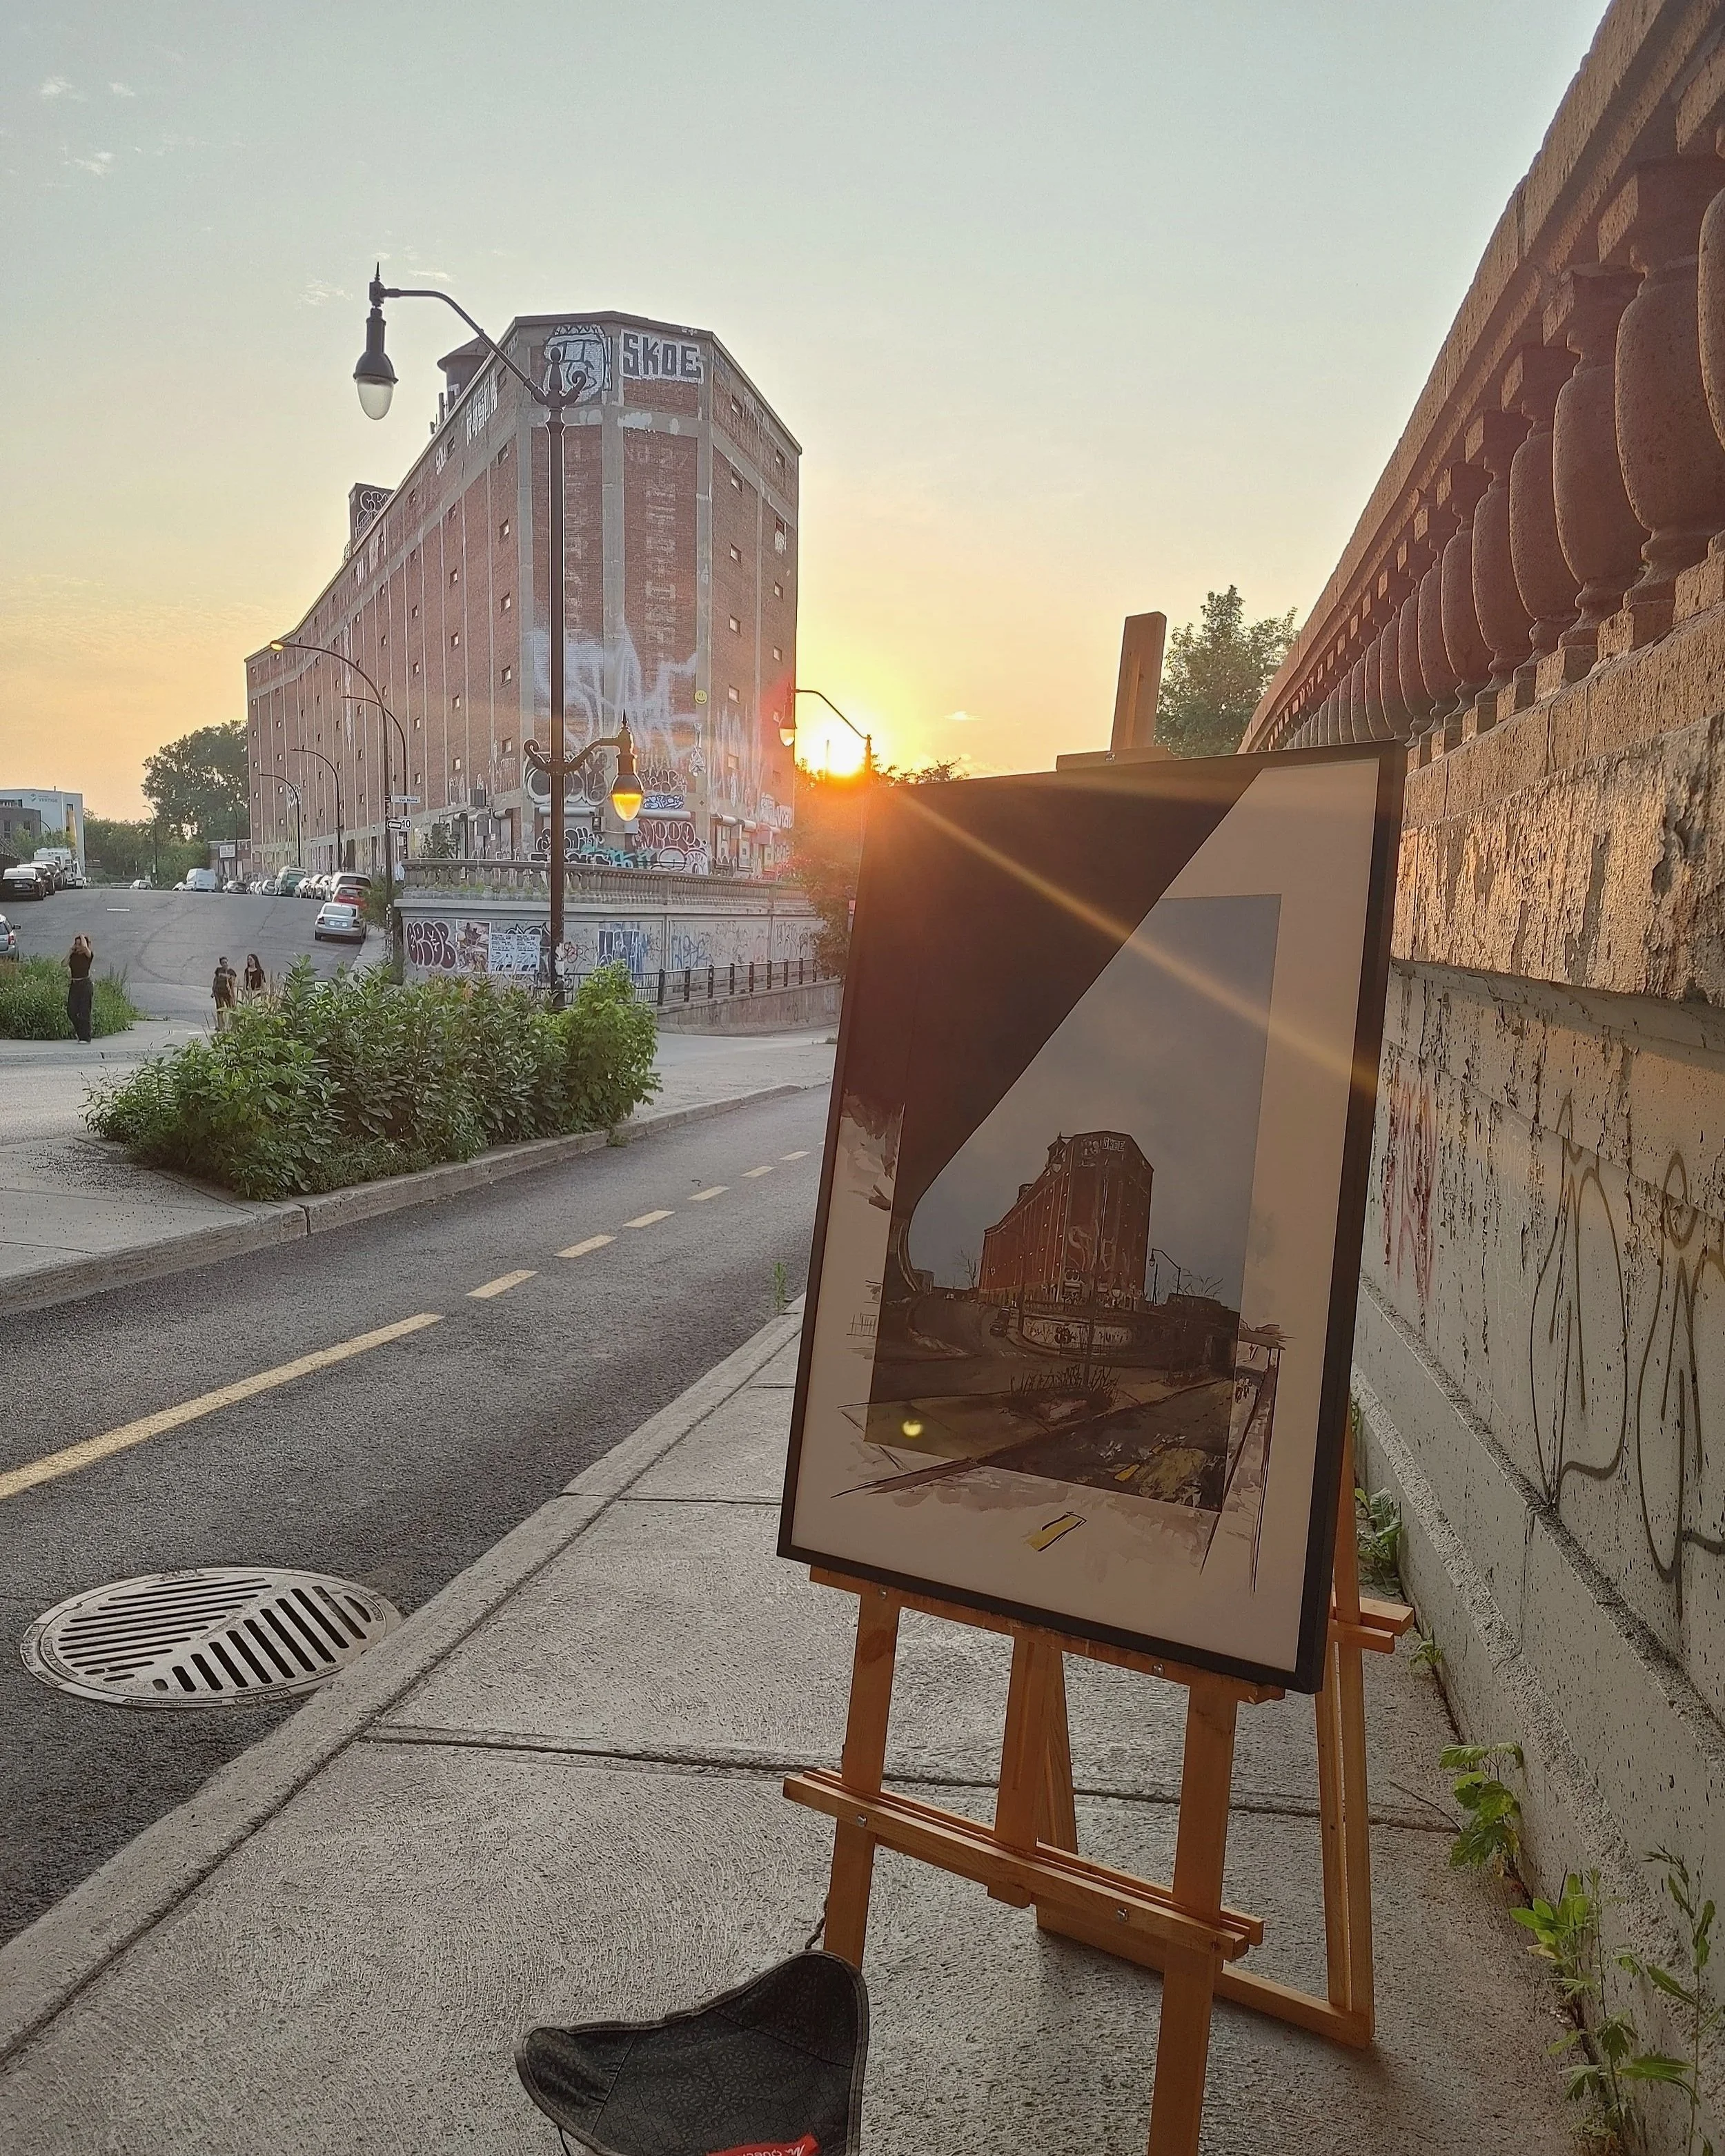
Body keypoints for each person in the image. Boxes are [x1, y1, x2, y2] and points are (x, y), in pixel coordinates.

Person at [66, 934, 95, 1043]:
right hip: (75, 984)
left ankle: (85, 1037)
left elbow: (86, 948)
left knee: (84, 1011)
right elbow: (63, 964)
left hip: (85, 984)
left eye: (80, 944)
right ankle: (79, 1032)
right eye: (76, 944)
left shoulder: (88, 955)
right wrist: (70, 952)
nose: (78, 947)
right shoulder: (73, 956)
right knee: (71, 1011)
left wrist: (82, 936)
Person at [212, 954, 237, 1032]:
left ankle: (234, 1025)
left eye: (226, 962)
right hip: (219, 992)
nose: (225, 964)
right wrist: (213, 991)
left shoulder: (231, 972)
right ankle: (220, 1026)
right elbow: (215, 980)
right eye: (223, 963)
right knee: (220, 1009)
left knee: (232, 1009)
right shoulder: (218, 971)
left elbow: (233, 982)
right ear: (221, 964)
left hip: (228, 993)